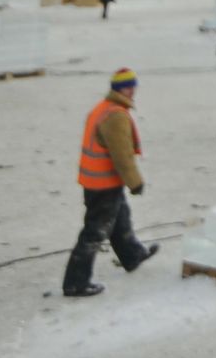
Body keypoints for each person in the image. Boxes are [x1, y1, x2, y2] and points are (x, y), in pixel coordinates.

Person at [62, 67, 158, 298]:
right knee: (95, 231)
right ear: (119, 89)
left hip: (95, 181)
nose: (133, 91)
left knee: (120, 217)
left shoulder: (103, 108)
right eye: (129, 87)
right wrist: (135, 183)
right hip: (103, 184)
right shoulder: (115, 115)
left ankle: (132, 255)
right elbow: (122, 155)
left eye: (134, 86)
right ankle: (75, 283)